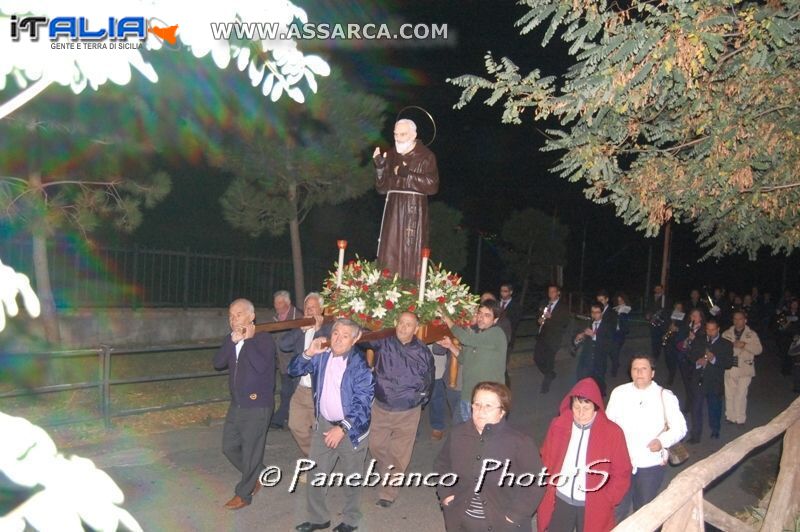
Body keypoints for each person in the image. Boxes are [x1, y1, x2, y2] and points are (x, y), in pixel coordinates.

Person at [288, 319, 375, 532]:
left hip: (352, 430)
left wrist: (342, 428)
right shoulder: (322, 357)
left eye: (345, 335)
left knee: (352, 477)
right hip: (325, 424)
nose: (338, 339)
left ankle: (351, 519)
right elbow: (293, 370)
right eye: (335, 333)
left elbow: (363, 403)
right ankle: (319, 518)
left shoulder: (360, 366)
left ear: (356, 339)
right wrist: (309, 352)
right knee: (316, 473)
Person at [435, 382, 544, 532]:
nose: (480, 411)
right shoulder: (458, 434)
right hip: (462, 522)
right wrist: (446, 494)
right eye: (477, 404)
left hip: (503, 525)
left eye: (488, 406)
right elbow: (442, 464)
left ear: (502, 411)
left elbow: (535, 481)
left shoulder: (519, 442)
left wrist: (515, 515)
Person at [537, 378, 632, 532]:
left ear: (596, 407)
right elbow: (546, 458)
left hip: (593, 504)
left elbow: (622, 471)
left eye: (586, 408)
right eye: (576, 407)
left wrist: (608, 498)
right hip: (560, 498)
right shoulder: (558, 425)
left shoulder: (613, 433)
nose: (580, 413)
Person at [212, 298, 276, 510]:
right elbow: (218, 363)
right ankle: (259, 472)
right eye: (230, 315)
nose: (233, 319)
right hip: (237, 405)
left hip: (258, 406)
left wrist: (247, 341)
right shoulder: (231, 339)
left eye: (238, 314)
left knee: (251, 451)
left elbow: (260, 366)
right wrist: (233, 341)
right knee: (229, 447)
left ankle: (244, 493)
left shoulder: (263, 339)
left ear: (251, 316)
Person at [606, 355, 687, 520]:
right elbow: (608, 424)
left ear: (653, 373)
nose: (639, 373)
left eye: (644, 369)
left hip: (650, 464)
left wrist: (662, 441)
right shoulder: (619, 393)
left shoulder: (665, 396)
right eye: (635, 369)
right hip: (622, 462)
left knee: (643, 510)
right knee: (617, 508)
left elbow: (680, 427)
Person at [366, 312, 434, 507]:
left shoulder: (422, 352)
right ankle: (389, 473)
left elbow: (428, 381)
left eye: (409, 324)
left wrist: (419, 400)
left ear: (416, 329)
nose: (404, 327)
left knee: (399, 453)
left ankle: (388, 492)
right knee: (376, 445)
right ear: (395, 323)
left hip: (407, 411)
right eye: (401, 323)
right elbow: (363, 340)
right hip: (381, 407)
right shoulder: (384, 342)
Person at [373, 118, 439, 280]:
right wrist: (380, 168)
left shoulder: (426, 156)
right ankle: (386, 288)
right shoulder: (390, 154)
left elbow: (432, 186)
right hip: (393, 210)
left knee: (410, 252)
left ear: (413, 135)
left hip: (413, 210)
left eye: (403, 134)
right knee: (390, 250)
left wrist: (408, 174)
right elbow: (382, 189)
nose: (398, 138)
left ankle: (409, 288)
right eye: (396, 134)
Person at [279, 292, 331, 456]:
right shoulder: (300, 327)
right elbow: (283, 345)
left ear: (321, 310)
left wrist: (319, 330)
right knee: (296, 426)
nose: (309, 311)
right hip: (301, 389)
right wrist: (301, 330)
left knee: (321, 430)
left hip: (320, 390)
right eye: (307, 308)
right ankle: (314, 457)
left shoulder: (329, 328)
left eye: (313, 308)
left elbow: (334, 347)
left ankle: (318, 464)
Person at [442, 300, 507, 422]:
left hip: (487, 400)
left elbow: (466, 338)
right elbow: (463, 359)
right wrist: (450, 346)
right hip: (467, 396)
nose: (481, 318)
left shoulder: (497, 334)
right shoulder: (477, 336)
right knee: (460, 435)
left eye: (487, 315)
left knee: (480, 437)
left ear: (495, 320)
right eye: (480, 314)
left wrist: (448, 320)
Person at [688, 319, 734, 443]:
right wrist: (698, 362)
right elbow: (691, 355)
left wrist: (714, 359)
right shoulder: (700, 341)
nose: (710, 332)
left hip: (714, 381)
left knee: (714, 407)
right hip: (699, 380)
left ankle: (715, 429)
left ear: (718, 329)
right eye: (708, 329)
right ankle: (695, 435)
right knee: (696, 407)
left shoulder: (726, 344)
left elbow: (729, 363)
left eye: (713, 329)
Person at [722, 311, 763, 425]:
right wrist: (733, 346)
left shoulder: (752, 334)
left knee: (741, 394)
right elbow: (721, 350)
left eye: (740, 319)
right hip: (730, 368)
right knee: (729, 394)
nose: (737, 321)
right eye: (735, 319)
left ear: (745, 320)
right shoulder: (726, 334)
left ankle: (740, 418)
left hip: (745, 369)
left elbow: (759, 350)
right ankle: (730, 416)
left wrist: (745, 345)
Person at [271, 290, 302, 430]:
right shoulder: (276, 318)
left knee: (288, 392)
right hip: (282, 362)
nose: (276, 306)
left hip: (294, 362)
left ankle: (279, 419)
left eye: (280, 303)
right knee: (287, 391)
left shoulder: (297, 317)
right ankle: (288, 418)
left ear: (288, 303)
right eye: (275, 302)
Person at [535, 284, 571, 393]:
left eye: (553, 292)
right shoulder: (544, 304)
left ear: (558, 293)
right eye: (549, 291)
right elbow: (539, 316)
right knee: (537, 358)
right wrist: (539, 320)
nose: (550, 294)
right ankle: (550, 374)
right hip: (542, 336)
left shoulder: (563, 307)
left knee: (549, 361)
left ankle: (545, 386)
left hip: (554, 338)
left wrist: (552, 317)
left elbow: (565, 322)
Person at [574, 303, 614, 396]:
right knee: (582, 383)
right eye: (592, 312)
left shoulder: (607, 326)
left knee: (599, 386)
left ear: (602, 313)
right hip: (585, 361)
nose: (594, 315)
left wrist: (594, 336)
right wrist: (577, 339)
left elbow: (609, 345)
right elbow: (576, 341)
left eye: (597, 312)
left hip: (599, 361)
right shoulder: (587, 323)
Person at [674, 308, 705, 413]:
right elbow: (678, 344)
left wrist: (694, 339)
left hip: (696, 361)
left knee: (694, 385)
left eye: (696, 316)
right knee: (687, 384)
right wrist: (687, 341)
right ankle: (689, 403)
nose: (693, 318)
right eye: (692, 316)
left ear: (701, 318)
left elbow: (703, 346)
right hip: (685, 359)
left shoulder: (704, 330)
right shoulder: (686, 328)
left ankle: (692, 406)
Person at [662, 302, 687, 386]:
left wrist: (677, 329)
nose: (678, 310)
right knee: (668, 359)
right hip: (669, 341)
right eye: (676, 308)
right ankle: (671, 373)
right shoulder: (669, 317)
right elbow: (663, 326)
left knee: (678, 360)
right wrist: (667, 330)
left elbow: (686, 329)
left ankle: (678, 376)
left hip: (678, 342)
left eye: (680, 308)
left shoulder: (685, 318)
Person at [645, 284, 669, 360]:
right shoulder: (651, 298)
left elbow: (666, 311)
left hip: (661, 323)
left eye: (659, 289)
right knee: (654, 340)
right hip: (652, 323)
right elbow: (647, 308)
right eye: (656, 288)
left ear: (662, 290)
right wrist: (647, 315)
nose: (658, 290)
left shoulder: (665, 298)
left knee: (662, 340)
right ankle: (655, 356)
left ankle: (665, 356)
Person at [611, 293, 632, 378]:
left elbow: (625, 322)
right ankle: (616, 363)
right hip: (613, 333)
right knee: (613, 352)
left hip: (620, 334)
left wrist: (619, 315)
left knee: (615, 352)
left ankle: (614, 370)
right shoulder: (615, 309)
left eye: (621, 300)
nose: (620, 302)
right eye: (618, 300)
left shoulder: (627, 309)